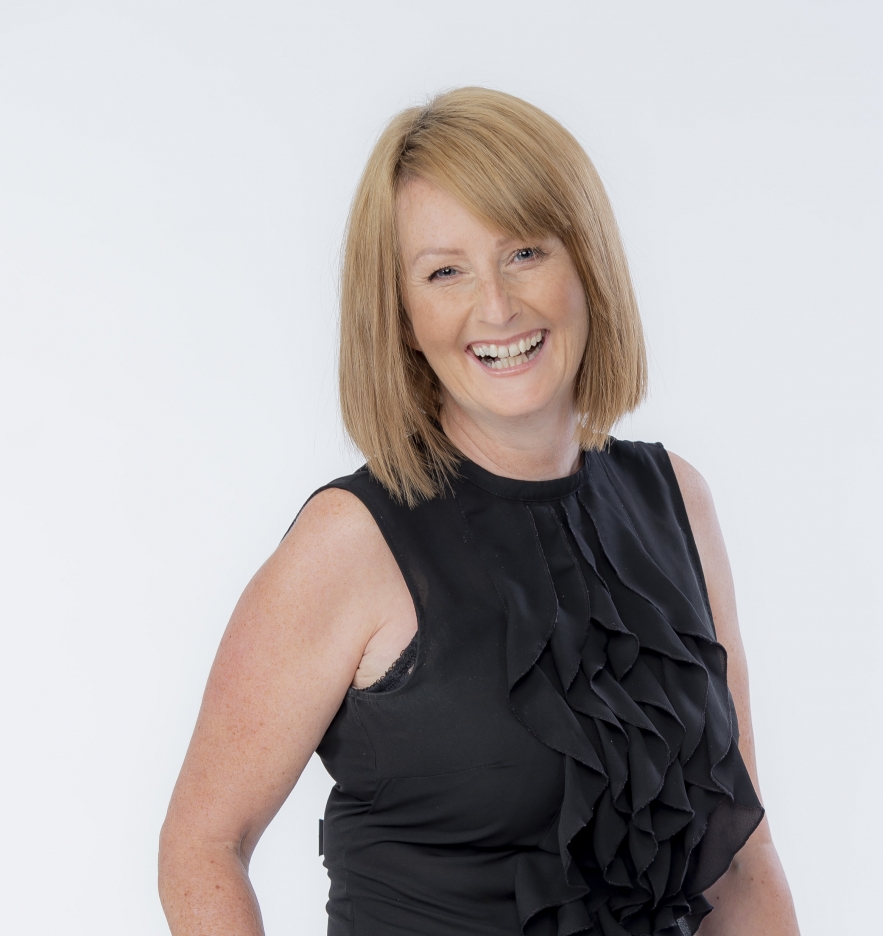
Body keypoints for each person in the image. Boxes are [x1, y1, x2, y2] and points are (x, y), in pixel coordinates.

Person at [158, 87, 799, 936]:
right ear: (402, 318)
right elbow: (202, 845)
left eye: (525, 252)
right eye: (445, 272)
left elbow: (742, 863)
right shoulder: (350, 542)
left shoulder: (676, 501)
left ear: (588, 263)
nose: (496, 307)